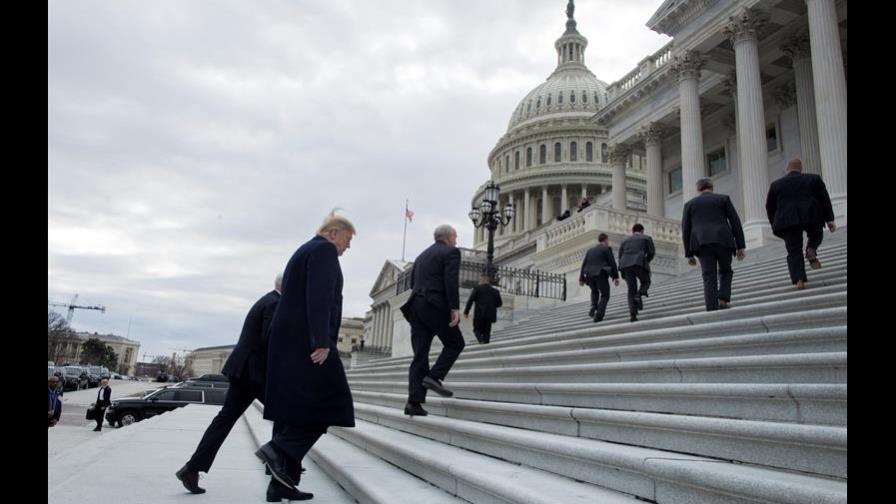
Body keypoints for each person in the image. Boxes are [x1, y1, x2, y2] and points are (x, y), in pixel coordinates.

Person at [255, 210, 356, 502]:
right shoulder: (324, 250)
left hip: (290, 342)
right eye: (347, 241)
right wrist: (321, 341)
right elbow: (319, 297)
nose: (347, 248)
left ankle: (280, 484)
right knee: (333, 404)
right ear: (334, 233)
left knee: (295, 410)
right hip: (309, 343)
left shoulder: (305, 249)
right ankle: (278, 449)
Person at [176, 273, 284, 496]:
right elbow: (270, 341)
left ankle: (192, 468)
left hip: (244, 371)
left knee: (224, 420)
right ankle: (278, 465)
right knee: (286, 413)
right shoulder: (275, 303)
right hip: (254, 374)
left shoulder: (267, 300)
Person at [399, 224, 465, 417]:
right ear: (449, 237)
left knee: (420, 355)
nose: (456, 240)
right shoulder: (451, 252)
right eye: (456, 237)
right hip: (435, 305)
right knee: (455, 343)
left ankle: (413, 403)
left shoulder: (421, 256)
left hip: (415, 307)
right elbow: (450, 281)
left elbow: (413, 283)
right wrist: (454, 308)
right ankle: (433, 377)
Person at [765, 158, 837, 290]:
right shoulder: (814, 179)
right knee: (816, 235)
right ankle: (811, 248)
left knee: (793, 250)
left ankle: (799, 280)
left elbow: (769, 206)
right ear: (801, 169)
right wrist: (830, 220)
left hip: (787, 220)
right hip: (812, 215)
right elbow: (824, 200)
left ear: (787, 169)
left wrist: (774, 223)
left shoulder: (776, 185)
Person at [682, 178, 746, 311]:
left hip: (702, 243)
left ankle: (711, 308)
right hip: (724, 240)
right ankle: (723, 298)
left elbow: (686, 230)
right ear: (712, 187)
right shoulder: (723, 199)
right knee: (726, 270)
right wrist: (741, 246)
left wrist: (689, 254)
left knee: (708, 275)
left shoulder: (689, 204)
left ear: (698, 189)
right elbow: (735, 222)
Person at [618, 223, 655, 322]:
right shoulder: (646, 238)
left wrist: (621, 267)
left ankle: (633, 315)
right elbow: (651, 252)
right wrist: (646, 261)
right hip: (639, 263)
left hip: (626, 265)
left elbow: (620, 255)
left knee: (631, 290)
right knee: (646, 281)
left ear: (632, 231)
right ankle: (640, 294)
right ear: (642, 231)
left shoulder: (625, 240)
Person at [579, 232, 620, 322]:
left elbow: (584, 264)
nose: (608, 242)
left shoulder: (590, 250)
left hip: (589, 275)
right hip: (600, 274)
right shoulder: (606, 249)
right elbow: (612, 263)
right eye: (607, 240)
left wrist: (581, 278)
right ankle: (599, 315)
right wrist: (616, 277)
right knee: (605, 294)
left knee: (594, 291)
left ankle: (593, 306)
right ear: (605, 240)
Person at [464, 274, 503, 344]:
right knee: (487, 332)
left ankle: (481, 340)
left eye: (480, 280)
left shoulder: (477, 288)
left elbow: (470, 300)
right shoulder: (495, 291)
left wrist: (466, 312)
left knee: (476, 329)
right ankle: (485, 342)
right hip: (490, 315)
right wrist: (492, 306)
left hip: (479, 314)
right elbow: (499, 304)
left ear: (482, 280)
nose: (479, 281)